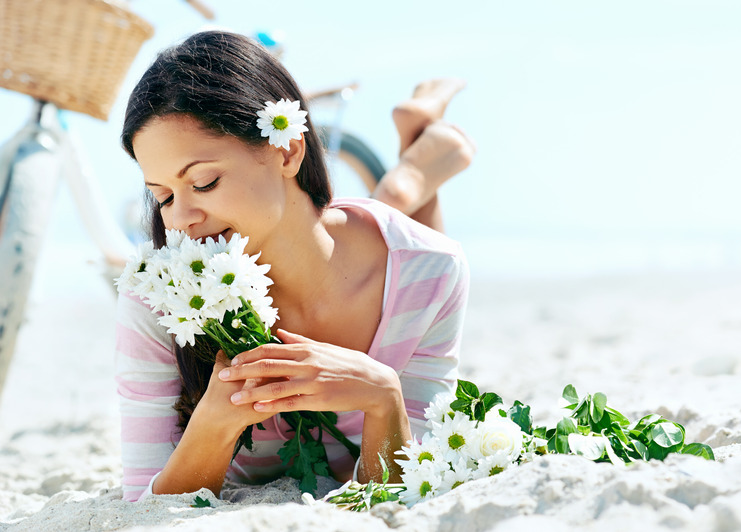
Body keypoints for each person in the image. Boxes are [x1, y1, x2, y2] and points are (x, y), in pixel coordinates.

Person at [115, 30, 473, 502]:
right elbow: (142, 504)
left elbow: (414, 488)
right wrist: (215, 424)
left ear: (287, 150)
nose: (179, 219)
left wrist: (383, 396)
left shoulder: (431, 271)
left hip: (374, 244)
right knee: (378, 217)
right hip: (327, 230)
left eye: (203, 182)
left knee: (402, 234)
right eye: (162, 195)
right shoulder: (156, 298)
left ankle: (410, 175)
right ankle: (411, 168)